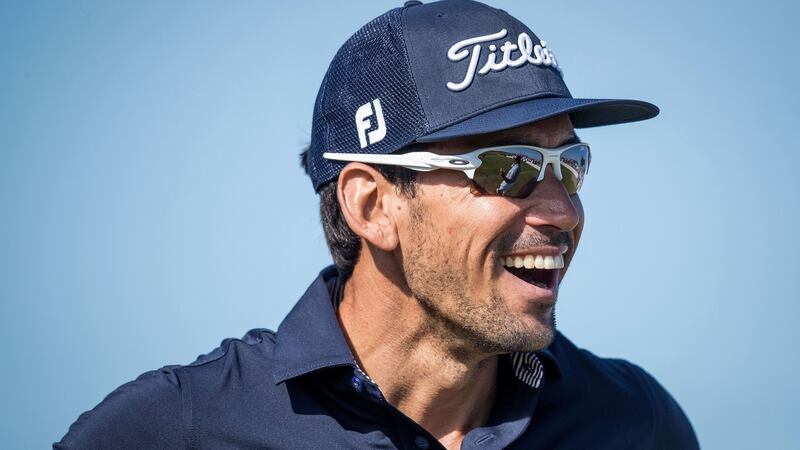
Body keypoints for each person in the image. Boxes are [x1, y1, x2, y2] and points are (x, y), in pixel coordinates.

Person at [55, 1, 700, 448]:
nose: (562, 210)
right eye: (509, 167)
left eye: (571, 163)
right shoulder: (180, 427)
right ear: (372, 206)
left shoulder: (631, 421)